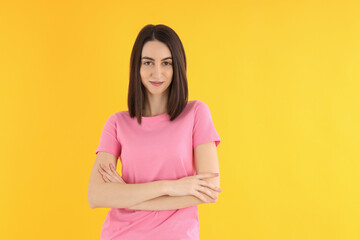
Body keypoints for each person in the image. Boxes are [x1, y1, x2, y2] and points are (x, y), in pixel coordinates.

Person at [88, 24, 222, 240]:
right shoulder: (117, 123)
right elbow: (95, 196)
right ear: (137, 67)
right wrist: (173, 187)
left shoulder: (196, 113)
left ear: (177, 66)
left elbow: (209, 191)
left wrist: (126, 195)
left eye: (166, 63)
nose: (157, 73)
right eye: (148, 62)